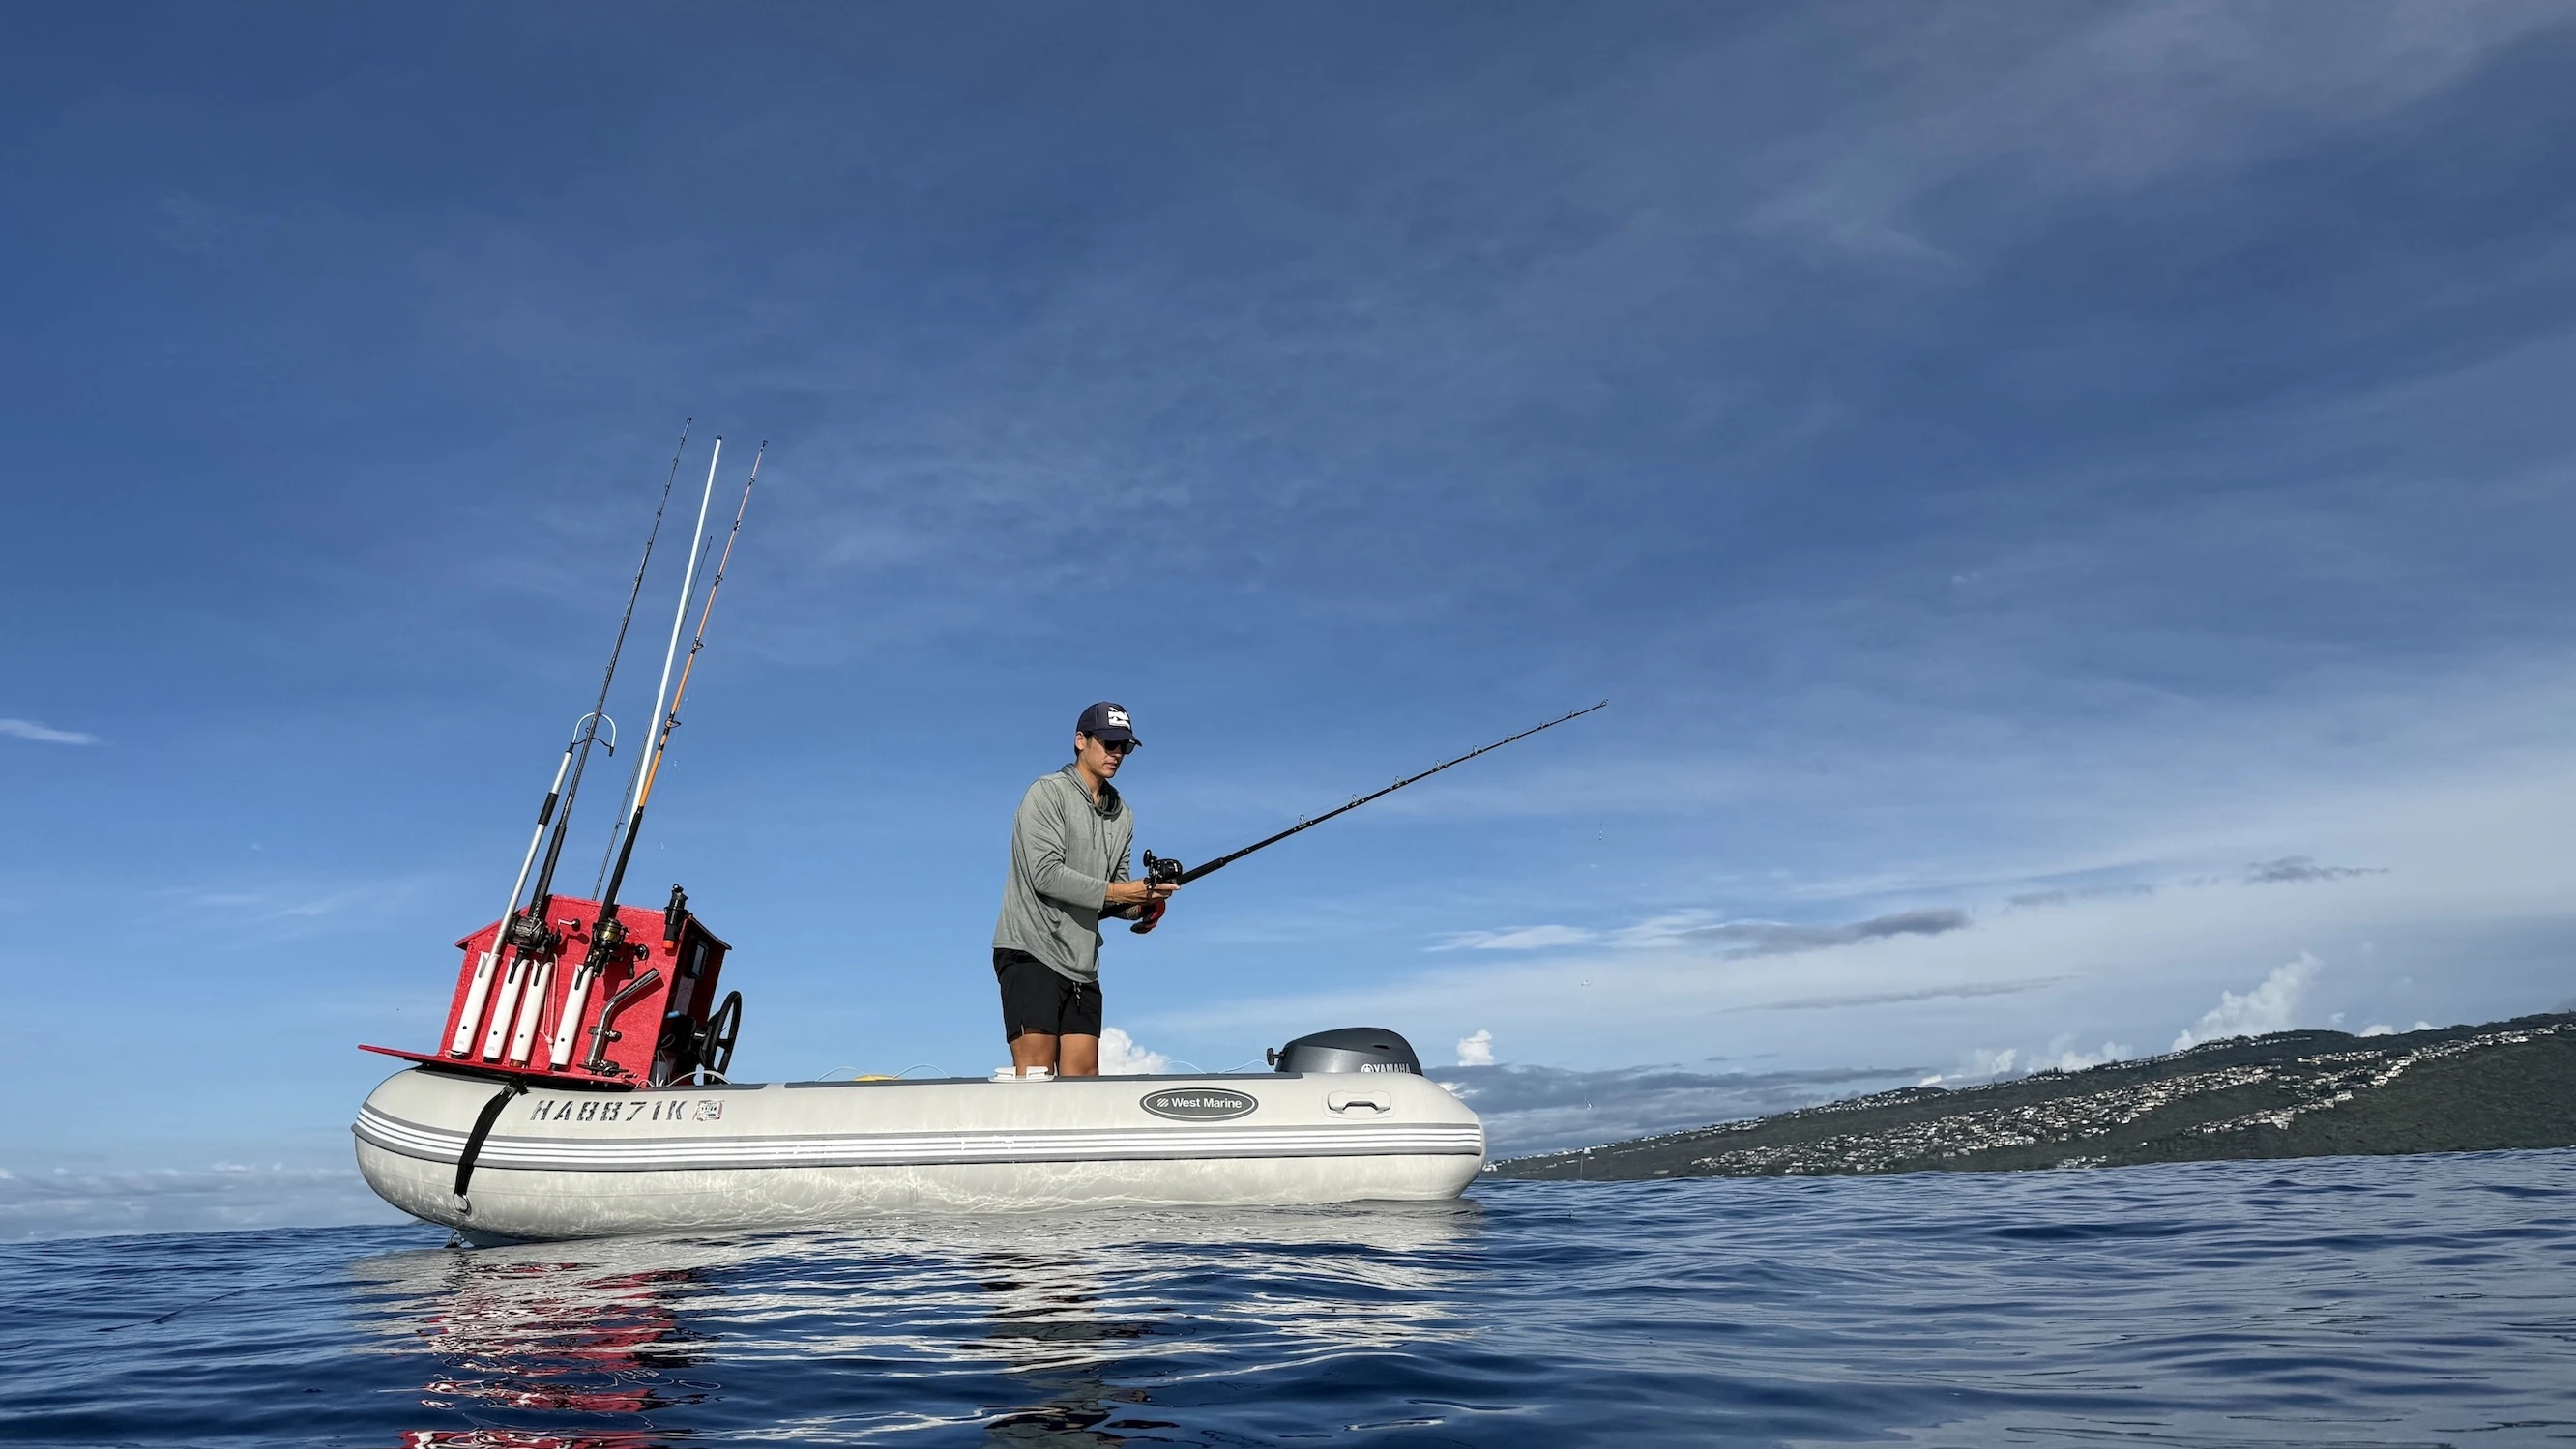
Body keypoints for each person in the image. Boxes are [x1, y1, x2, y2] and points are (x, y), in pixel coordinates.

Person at [991, 701, 1178, 1077]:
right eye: (1109, 743)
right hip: (1030, 951)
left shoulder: (1122, 813)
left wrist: (1144, 903)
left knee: (1083, 1084)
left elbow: (1113, 893)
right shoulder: (1046, 794)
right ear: (1081, 741)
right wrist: (1124, 892)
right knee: (1036, 1077)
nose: (1117, 754)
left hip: (1082, 965)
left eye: (1123, 746)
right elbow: (1046, 876)